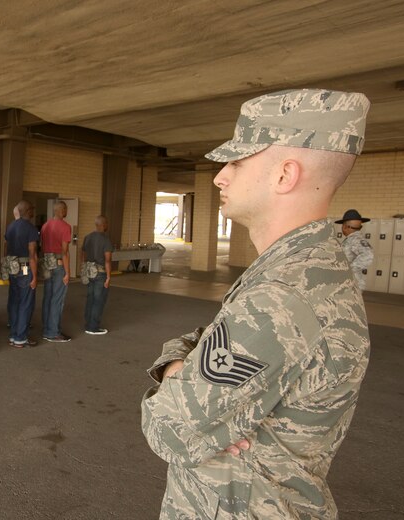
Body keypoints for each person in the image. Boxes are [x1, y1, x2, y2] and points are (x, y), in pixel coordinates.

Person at [141, 89, 372, 519]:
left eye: (238, 161)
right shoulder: (304, 267)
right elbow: (210, 343)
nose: (220, 177)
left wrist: (177, 367)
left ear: (285, 175)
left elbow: (168, 429)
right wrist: (186, 367)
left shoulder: (282, 294)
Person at [4, 200, 39, 347]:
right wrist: (35, 276)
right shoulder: (30, 228)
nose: (33, 212)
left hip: (12, 267)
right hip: (25, 267)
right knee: (25, 302)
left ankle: (13, 335)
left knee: (14, 300)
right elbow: (32, 254)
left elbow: (7, 248)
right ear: (27, 211)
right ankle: (21, 337)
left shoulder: (11, 226)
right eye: (32, 209)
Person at [40, 201, 72, 342]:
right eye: (65, 209)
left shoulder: (45, 226)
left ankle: (47, 328)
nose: (66, 211)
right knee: (57, 300)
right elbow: (65, 252)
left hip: (47, 264)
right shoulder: (66, 227)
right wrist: (67, 272)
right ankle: (53, 332)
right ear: (61, 210)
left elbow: (42, 247)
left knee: (48, 297)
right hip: (59, 265)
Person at [81, 215, 113, 335]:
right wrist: (109, 277)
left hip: (89, 272)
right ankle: (93, 327)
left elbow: (83, 254)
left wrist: (84, 268)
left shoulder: (87, 237)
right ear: (103, 225)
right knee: (98, 300)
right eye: (107, 224)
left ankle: (88, 323)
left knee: (90, 298)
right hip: (100, 273)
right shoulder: (106, 240)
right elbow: (108, 260)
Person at [336, 209, 374, 291]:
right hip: (348, 283)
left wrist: (351, 270)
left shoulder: (356, 239)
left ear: (345, 227)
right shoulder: (352, 239)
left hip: (352, 284)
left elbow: (368, 255)